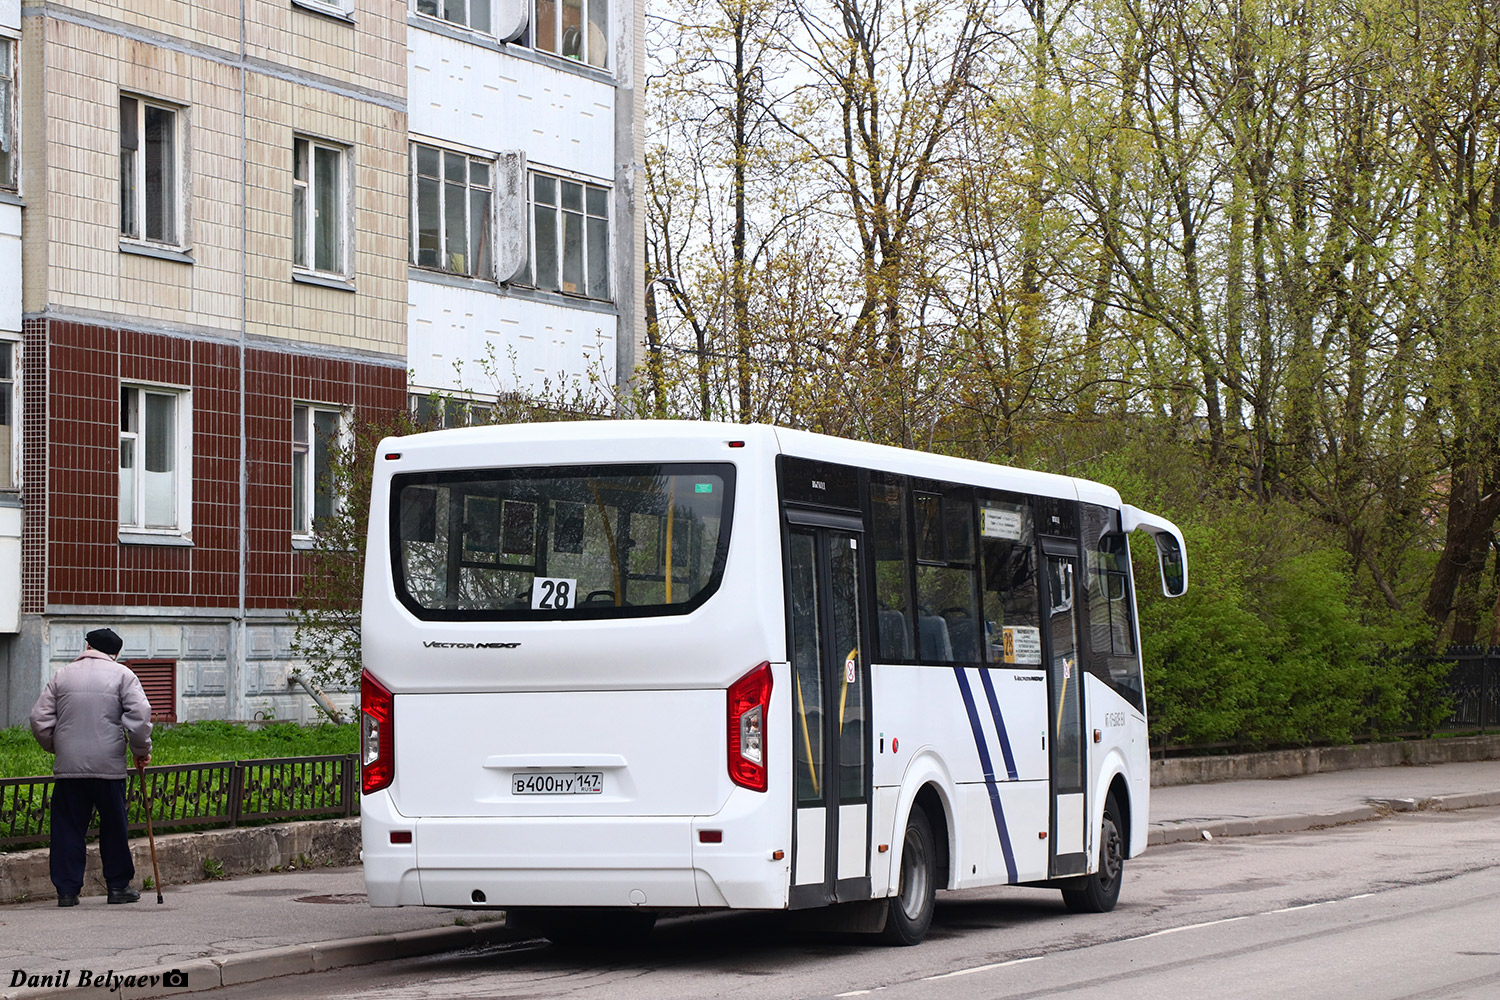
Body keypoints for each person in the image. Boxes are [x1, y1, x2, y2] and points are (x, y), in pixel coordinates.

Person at [29, 628, 153, 906]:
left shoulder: (62, 675)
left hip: (69, 766)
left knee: (67, 828)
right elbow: (140, 717)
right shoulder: (123, 675)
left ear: (87, 646)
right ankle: (118, 887)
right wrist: (141, 751)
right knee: (114, 826)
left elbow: (39, 717)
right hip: (108, 766)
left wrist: (56, 745)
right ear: (116, 653)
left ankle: (67, 891)